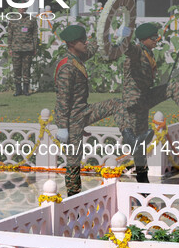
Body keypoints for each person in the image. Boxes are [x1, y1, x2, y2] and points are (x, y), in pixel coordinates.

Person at [55, 24, 149, 196]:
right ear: (72, 44)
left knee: (117, 103)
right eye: (82, 41)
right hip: (72, 119)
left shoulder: (78, 57)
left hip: (84, 111)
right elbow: (62, 100)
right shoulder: (67, 67)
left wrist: (108, 34)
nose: (85, 42)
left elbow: (92, 48)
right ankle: (72, 198)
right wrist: (63, 126)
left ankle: (130, 138)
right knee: (74, 162)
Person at [121, 22, 179, 183]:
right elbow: (126, 46)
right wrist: (125, 31)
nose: (157, 39)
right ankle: (143, 183)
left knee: (174, 86)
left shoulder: (147, 52)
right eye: (153, 37)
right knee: (139, 148)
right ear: (143, 39)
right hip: (134, 103)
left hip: (144, 98)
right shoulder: (137, 51)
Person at [7, 7, 38, 96]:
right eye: (20, 8)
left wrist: (35, 47)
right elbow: (10, 34)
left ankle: (26, 90)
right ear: (17, 9)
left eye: (24, 8)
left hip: (28, 48)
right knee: (16, 69)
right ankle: (18, 90)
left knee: (26, 69)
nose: (22, 9)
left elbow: (35, 34)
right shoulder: (13, 19)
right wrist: (10, 47)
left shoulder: (31, 19)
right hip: (16, 48)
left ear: (26, 9)